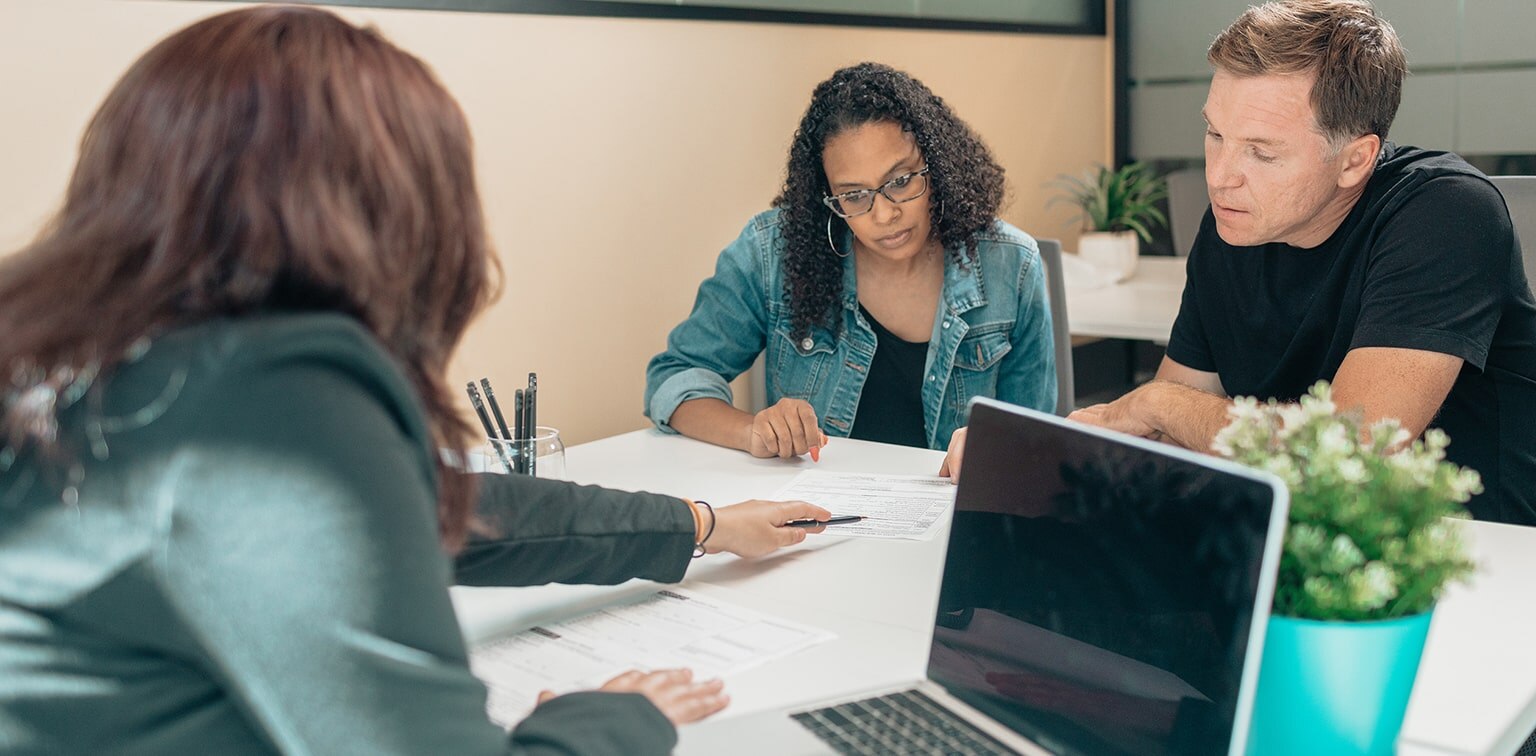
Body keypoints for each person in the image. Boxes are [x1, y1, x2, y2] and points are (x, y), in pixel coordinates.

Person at [0, 7, 832, 755]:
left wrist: (700, 523)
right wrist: (610, 720)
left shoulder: (99, 361)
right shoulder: (269, 395)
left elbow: (443, 509)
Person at [944, 0, 1536, 525]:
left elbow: (1350, 450)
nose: (1221, 176)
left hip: (1475, 558)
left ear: (1355, 161)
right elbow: (1160, 438)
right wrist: (1034, 448)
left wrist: (1158, 402)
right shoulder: (1234, 226)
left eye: (1262, 152)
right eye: (1215, 135)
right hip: (1297, 543)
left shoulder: (1447, 212)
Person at [644, 62, 1056, 459]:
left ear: (938, 165)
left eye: (900, 181)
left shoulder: (1010, 265)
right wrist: (752, 430)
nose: (885, 214)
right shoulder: (773, 252)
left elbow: (1035, 437)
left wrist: (996, 449)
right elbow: (675, 376)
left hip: (948, 505)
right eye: (854, 195)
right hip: (812, 505)